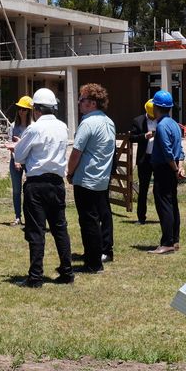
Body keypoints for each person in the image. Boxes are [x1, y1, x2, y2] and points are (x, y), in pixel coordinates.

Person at [12, 88, 74, 286]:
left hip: (36, 184)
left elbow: (19, 156)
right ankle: (67, 272)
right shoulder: (63, 127)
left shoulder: (34, 128)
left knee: (36, 230)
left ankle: (35, 276)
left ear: (36, 109)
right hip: (56, 183)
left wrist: (17, 146)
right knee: (60, 228)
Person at [67, 83, 116, 272]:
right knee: (98, 217)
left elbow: (76, 152)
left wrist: (70, 172)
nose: (79, 103)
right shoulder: (109, 122)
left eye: (82, 100)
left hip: (86, 179)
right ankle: (99, 253)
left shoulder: (87, 123)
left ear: (93, 103)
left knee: (88, 221)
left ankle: (93, 263)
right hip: (101, 178)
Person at [149, 90, 186, 254]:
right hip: (172, 168)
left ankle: (167, 243)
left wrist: (175, 168)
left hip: (165, 168)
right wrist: (180, 167)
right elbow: (180, 150)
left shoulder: (162, 126)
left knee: (164, 205)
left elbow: (167, 151)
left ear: (156, 107)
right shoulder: (174, 124)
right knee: (172, 204)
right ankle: (175, 239)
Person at [127, 99, 156, 224]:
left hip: (158, 159)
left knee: (159, 189)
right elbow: (132, 138)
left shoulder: (162, 120)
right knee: (143, 189)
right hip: (144, 160)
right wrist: (144, 136)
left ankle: (164, 216)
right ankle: (141, 217)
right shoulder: (138, 120)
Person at [8, 95, 33, 226]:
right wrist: (16, 160)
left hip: (29, 162)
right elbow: (11, 145)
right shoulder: (13, 127)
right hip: (15, 161)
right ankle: (17, 216)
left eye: (24, 109)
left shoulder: (33, 127)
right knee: (16, 190)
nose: (21, 112)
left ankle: (30, 215)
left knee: (30, 189)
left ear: (29, 111)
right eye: (19, 109)